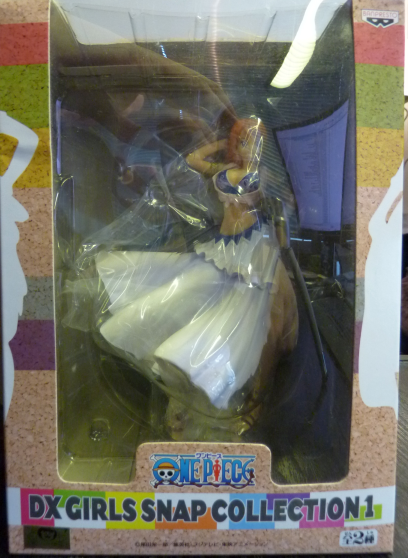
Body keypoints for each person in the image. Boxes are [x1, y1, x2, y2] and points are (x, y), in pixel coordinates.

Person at [96, 117, 298, 440]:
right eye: (245, 140)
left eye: (257, 141)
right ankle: (187, 368)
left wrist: (281, 227)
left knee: (249, 315)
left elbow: (283, 206)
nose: (251, 147)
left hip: (253, 249)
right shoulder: (225, 171)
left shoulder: (263, 176)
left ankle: (243, 391)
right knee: (187, 290)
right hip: (224, 248)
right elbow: (193, 159)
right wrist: (223, 142)